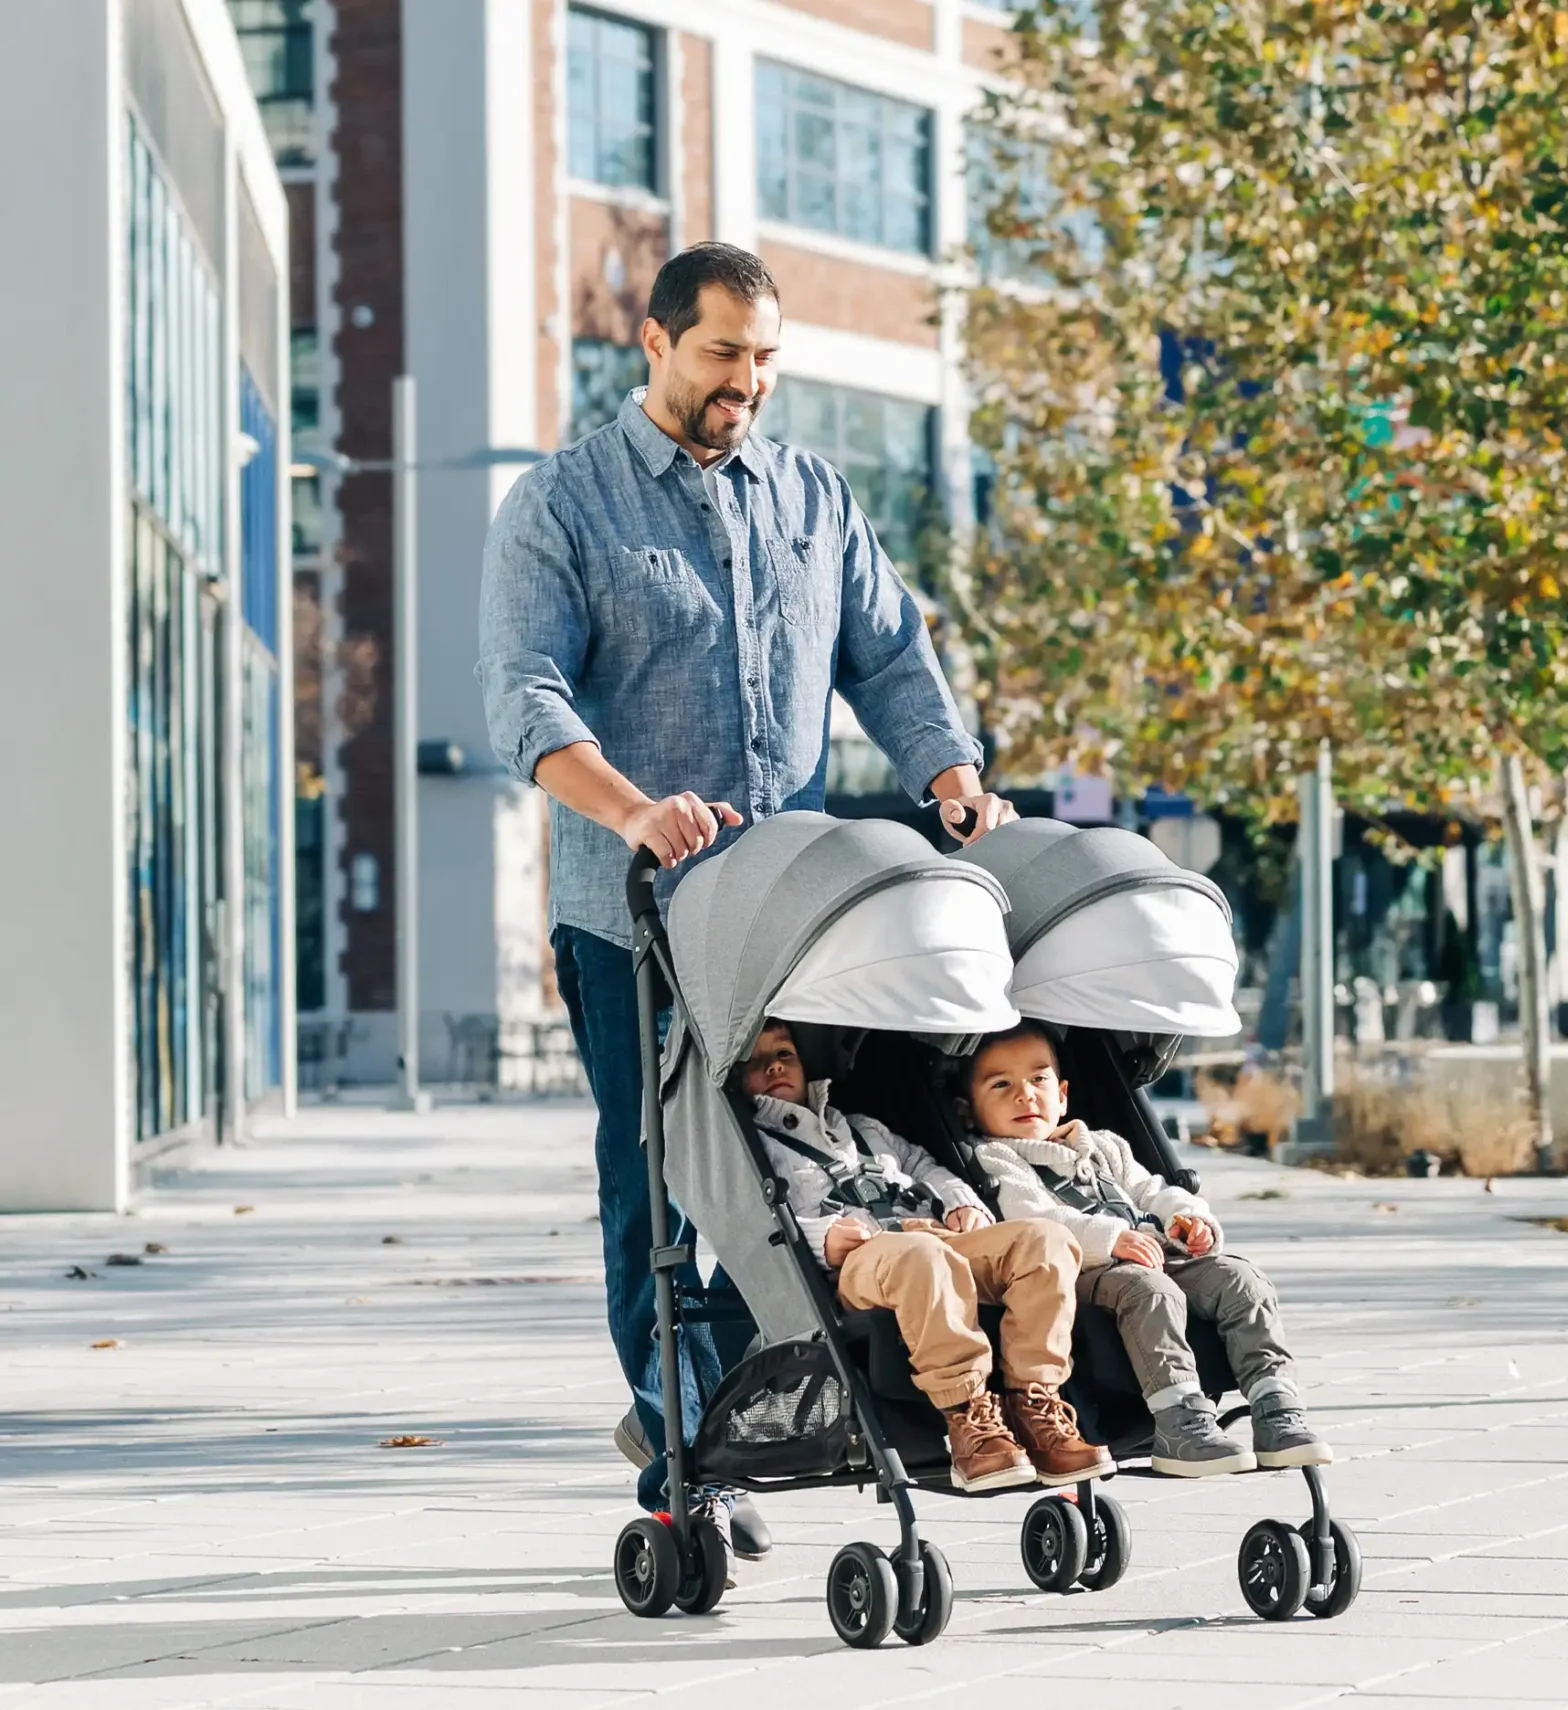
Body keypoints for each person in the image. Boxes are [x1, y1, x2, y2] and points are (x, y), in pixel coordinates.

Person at [477, 242, 1014, 1550]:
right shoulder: (566, 505)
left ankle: (723, 1396)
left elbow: (887, 644)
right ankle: (688, 1432)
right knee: (654, 1189)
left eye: (767, 359)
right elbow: (524, 695)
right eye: (724, 354)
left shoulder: (813, 498)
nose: (748, 383)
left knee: (784, 1176)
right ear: (654, 343)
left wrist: (948, 763)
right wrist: (633, 810)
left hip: (796, 921)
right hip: (636, 921)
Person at [740, 1023, 1111, 1489]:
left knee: (1046, 1241)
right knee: (922, 1257)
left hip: (932, 1233)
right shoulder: (756, 1144)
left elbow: (921, 1165)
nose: (774, 1065)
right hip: (859, 1258)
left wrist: (962, 1202)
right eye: (756, 1062)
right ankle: (969, 1418)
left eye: (784, 1053)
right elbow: (753, 1223)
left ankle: (1036, 1404)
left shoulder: (860, 1127)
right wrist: (819, 1237)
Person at [963, 1024, 1331, 1476]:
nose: (1024, 1095)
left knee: (1241, 1279)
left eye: (1037, 1080)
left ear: (1061, 1094)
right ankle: (1182, 1420)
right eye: (1001, 1085)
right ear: (971, 1108)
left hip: (1158, 1252)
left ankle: (1277, 1407)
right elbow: (1034, 1219)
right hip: (1085, 1271)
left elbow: (1152, 1189)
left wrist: (1189, 1219)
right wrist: (1112, 1238)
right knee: (1151, 1290)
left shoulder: (1105, 1146)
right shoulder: (995, 1158)